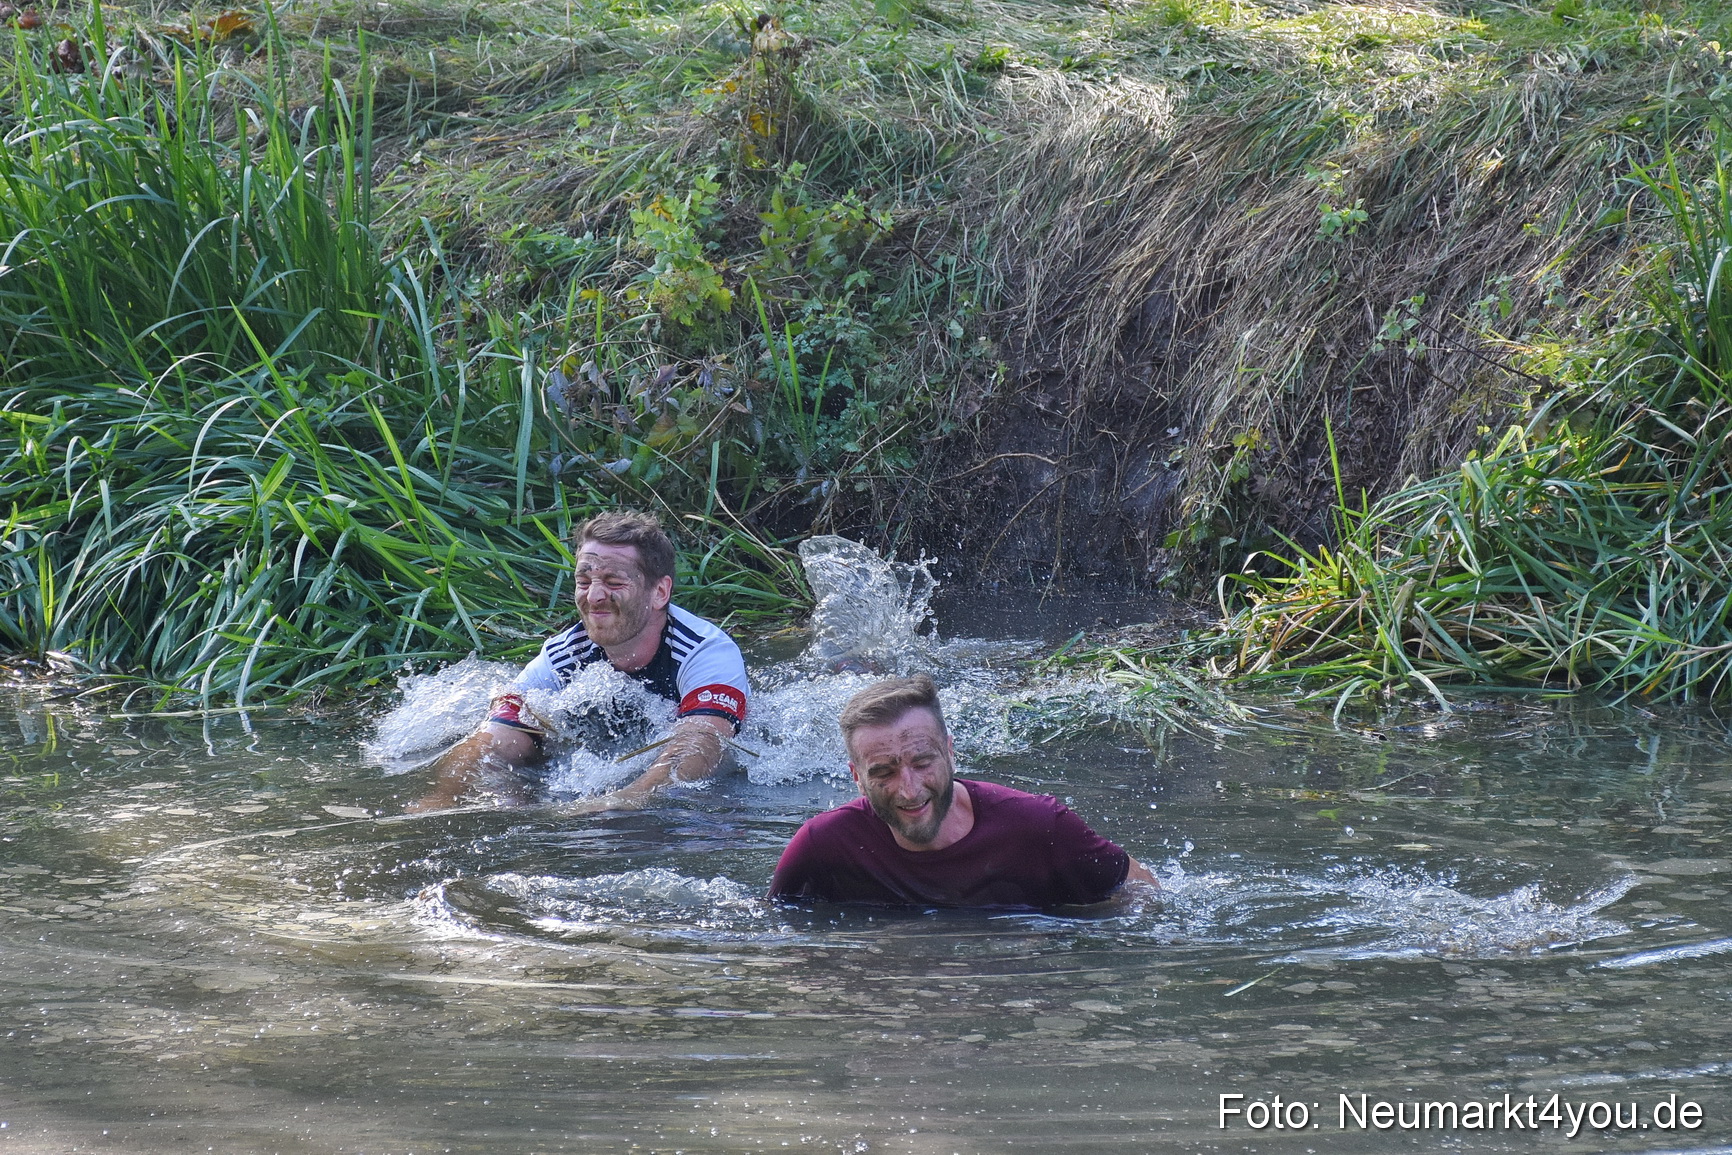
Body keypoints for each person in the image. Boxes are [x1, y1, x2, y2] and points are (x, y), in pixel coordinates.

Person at [408, 510, 750, 813]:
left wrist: (627, 798)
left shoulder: (705, 652)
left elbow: (703, 742)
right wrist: (446, 796)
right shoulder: (563, 654)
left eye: (614, 582)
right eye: (584, 582)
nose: (594, 596)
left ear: (659, 593)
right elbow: (494, 736)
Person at [769, 674, 1156, 908]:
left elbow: (1143, 894)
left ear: (951, 753)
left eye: (922, 764)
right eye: (883, 772)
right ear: (856, 777)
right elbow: (777, 937)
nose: (909, 789)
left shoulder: (1039, 827)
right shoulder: (824, 846)